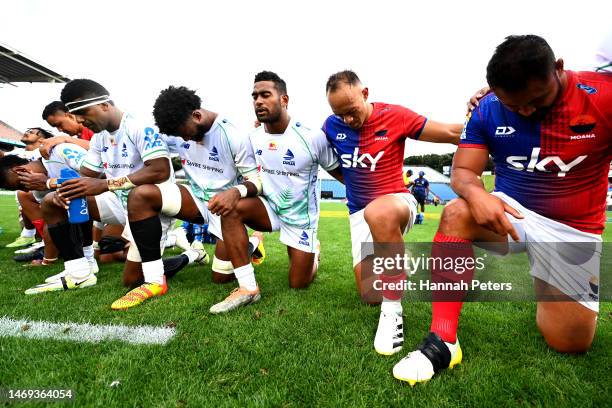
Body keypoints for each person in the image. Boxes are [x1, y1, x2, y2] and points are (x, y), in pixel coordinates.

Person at [393, 35, 612, 385]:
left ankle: (553, 289)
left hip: (574, 229)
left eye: (536, 100)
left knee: (569, 343)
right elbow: (464, 171)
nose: (526, 111)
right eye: (515, 105)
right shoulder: (489, 106)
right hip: (512, 212)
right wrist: (477, 195)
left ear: (559, 69)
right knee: (456, 214)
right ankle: (444, 340)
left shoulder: (603, 97)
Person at [322, 70, 462, 356]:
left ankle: (393, 310)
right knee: (369, 295)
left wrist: (495, 120)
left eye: (352, 111)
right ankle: (396, 260)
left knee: (380, 212)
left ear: (365, 94)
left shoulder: (394, 115)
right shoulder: (331, 126)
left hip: (396, 203)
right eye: (340, 114)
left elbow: (450, 133)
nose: (348, 120)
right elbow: (321, 155)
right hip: (359, 212)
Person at [212, 71, 342, 314]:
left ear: (284, 100)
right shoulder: (252, 138)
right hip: (268, 208)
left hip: (300, 219)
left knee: (298, 284)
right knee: (232, 209)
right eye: (254, 96)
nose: (258, 101)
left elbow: (340, 174)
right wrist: (235, 191)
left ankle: (313, 255)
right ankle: (248, 288)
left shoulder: (312, 137)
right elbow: (250, 176)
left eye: (265, 95)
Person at [129, 85, 265, 296]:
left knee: (221, 277)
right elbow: (138, 136)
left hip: (225, 208)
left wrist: (235, 192)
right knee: (141, 195)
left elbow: (256, 181)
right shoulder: (177, 131)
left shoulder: (234, 135)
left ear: (197, 115)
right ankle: (154, 279)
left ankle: (254, 242)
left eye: (185, 134)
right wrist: (66, 139)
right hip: (195, 200)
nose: (183, 140)